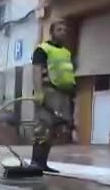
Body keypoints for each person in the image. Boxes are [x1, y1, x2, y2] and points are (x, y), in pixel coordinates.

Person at [31, 20, 77, 173]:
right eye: (59, 29)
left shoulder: (66, 52)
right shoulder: (43, 49)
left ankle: (42, 163)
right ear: (52, 32)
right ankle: (36, 162)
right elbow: (37, 70)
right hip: (48, 90)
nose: (62, 32)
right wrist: (38, 92)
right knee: (43, 126)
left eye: (64, 30)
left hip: (62, 93)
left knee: (54, 128)